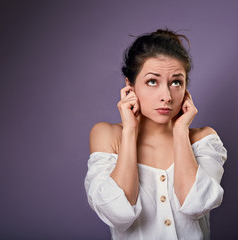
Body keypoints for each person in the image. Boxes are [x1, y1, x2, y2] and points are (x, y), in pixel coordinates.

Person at [84, 29, 227, 240]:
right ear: (130, 86)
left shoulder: (203, 139)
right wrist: (130, 130)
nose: (166, 97)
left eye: (176, 82)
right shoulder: (108, 136)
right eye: (152, 81)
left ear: (186, 88)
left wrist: (180, 132)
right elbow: (117, 214)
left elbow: (196, 205)